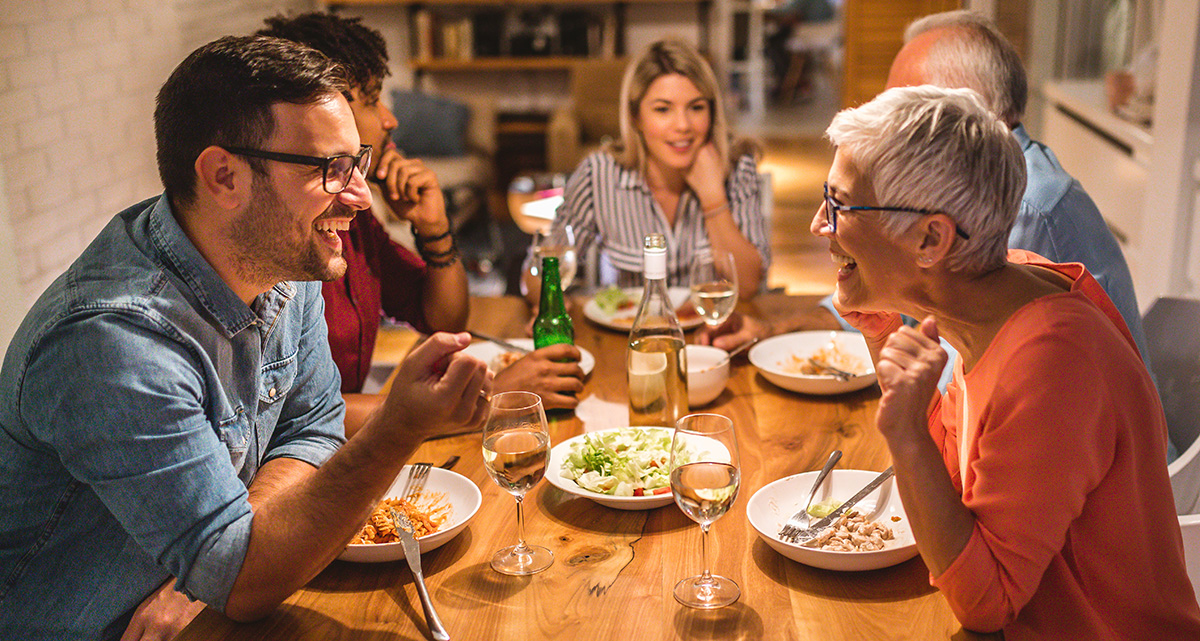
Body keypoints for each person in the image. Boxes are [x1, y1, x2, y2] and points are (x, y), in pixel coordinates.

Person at [0, 35, 490, 641]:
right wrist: (399, 428)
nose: (360, 197)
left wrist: (223, 559)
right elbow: (246, 584)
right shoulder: (113, 344)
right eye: (330, 170)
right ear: (224, 175)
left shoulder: (285, 257)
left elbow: (311, 427)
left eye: (356, 162)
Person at [817, 84, 1200, 639]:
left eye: (839, 205)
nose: (819, 226)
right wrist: (884, 343)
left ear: (931, 238)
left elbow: (987, 600)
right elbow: (956, 479)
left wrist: (904, 433)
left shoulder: (1052, 362)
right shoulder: (1004, 293)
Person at [701, 10, 1150, 366]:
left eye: (905, 106)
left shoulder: (1022, 206)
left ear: (963, 117)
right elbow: (908, 288)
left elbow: (957, 373)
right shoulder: (982, 185)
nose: (885, 121)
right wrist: (784, 329)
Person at [258, 13, 584, 414]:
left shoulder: (352, 219)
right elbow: (301, 419)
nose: (389, 120)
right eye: (374, 99)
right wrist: (487, 395)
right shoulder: (275, 239)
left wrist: (434, 228)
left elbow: (444, 320)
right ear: (325, 108)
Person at [546, 38, 771, 300]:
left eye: (696, 107)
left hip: (711, 333)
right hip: (629, 332)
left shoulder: (737, 169)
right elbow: (543, 271)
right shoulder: (597, 174)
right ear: (635, 117)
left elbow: (747, 287)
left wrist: (713, 198)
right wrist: (549, 302)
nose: (683, 125)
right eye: (663, 109)